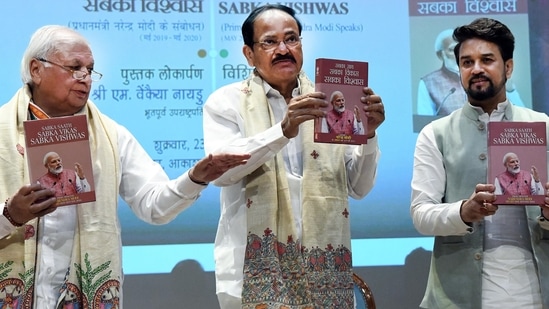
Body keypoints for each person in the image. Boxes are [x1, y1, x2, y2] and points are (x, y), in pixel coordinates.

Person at [0, 25, 251, 309]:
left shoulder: (111, 135)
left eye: (90, 69)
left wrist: (195, 178)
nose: (86, 78)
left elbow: (153, 206)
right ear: (36, 70)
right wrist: (10, 214)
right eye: (74, 68)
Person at [202, 4, 385, 309]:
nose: (283, 49)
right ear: (249, 54)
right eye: (270, 42)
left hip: (324, 273)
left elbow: (359, 188)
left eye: (292, 39)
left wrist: (368, 135)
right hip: (251, 275)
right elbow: (222, 173)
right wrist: (283, 130)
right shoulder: (226, 102)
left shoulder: (329, 99)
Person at [411, 17, 549, 308]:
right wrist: (464, 212)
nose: (476, 69)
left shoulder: (542, 126)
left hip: (535, 294)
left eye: (487, 59)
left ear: (508, 67)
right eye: (466, 62)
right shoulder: (435, 133)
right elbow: (421, 213)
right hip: (459, 295)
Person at [416, 28, 524, 116]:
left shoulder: (488, 76)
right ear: (440, 55)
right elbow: (425, 126)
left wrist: (510, 91)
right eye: (452, 50)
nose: (457, 55)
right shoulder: (429, 83)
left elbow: (521, 117)